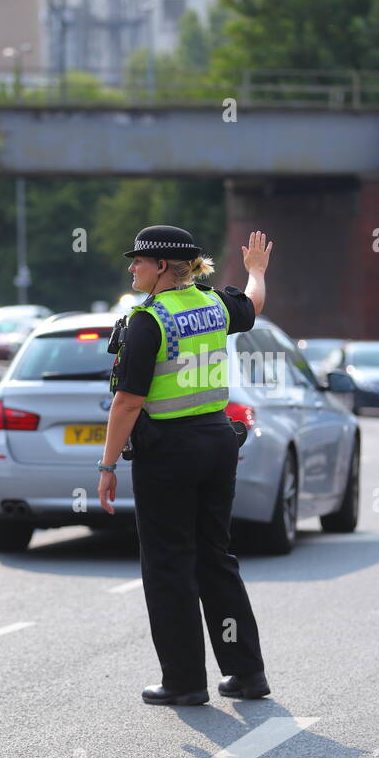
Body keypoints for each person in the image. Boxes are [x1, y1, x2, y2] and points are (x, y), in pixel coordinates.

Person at [97, 224, 271, 706]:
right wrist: (256, 271)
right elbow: (254, 304)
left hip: (168, 451)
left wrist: (106, 466)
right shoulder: (213, 304)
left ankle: (184, 681)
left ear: (160, 267)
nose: (131, 267)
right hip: (216, 443)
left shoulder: (147, 321)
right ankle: (246, 674)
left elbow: (127, 403)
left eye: (137, 261)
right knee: (215, 556)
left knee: (169, 564)